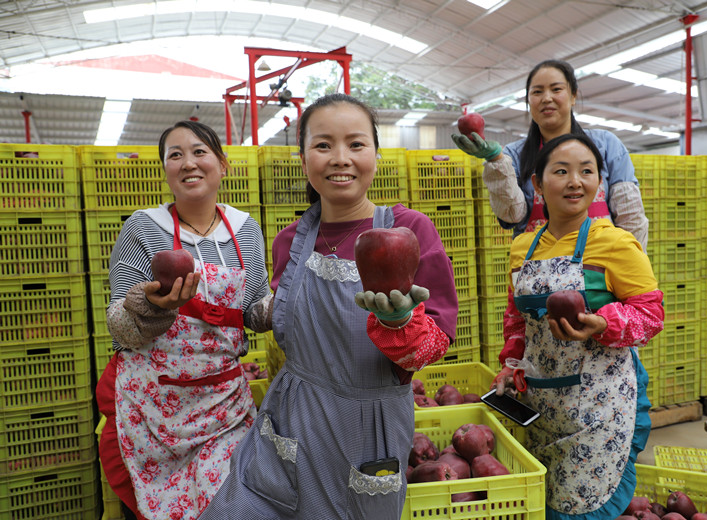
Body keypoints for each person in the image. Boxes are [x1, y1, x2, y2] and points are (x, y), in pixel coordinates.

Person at [200, 93, 459, 519]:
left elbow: (435, 344)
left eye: (356, 144)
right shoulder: (290, 241)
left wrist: (401, 325)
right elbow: (286, 319)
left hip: (368, 429)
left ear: (376, 155)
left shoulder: (410, 231)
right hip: (291, 420)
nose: (340, 158)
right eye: (323, 145)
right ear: (303, 161)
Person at [95, 120, 272, 520]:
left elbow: (253, 312)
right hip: (153, 411)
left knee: (232, 503)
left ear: (223, 164)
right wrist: (152, 307)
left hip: (222, 407)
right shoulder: (143, 227)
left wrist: (288, 304)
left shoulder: (246, 230)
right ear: (165, 170)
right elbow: (119, 324)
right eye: (175, 155)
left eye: (198, 151)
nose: (187, 162)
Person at [492, 133, 664, 520]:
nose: (576, 181)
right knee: (545, 504)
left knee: (581, 508)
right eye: (562, 171)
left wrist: (604, 322)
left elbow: (651, 316)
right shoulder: (522, 248)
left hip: (600, 407)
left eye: (587, 171)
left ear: (599, 183)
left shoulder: (617, 244)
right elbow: (517, 319)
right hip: (541, 403)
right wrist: (511, 363)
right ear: (537, 184)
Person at [452, 59, 649, 249]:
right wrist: (496, 160)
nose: (547, 98)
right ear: (529, 101)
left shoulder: (606, 145)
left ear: (573, 96)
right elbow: (512, 215)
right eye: (537, 92)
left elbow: (630, 217)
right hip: (539, 271)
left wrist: (633, 264)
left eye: (556, 89)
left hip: (601, 267)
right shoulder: (514, 155)